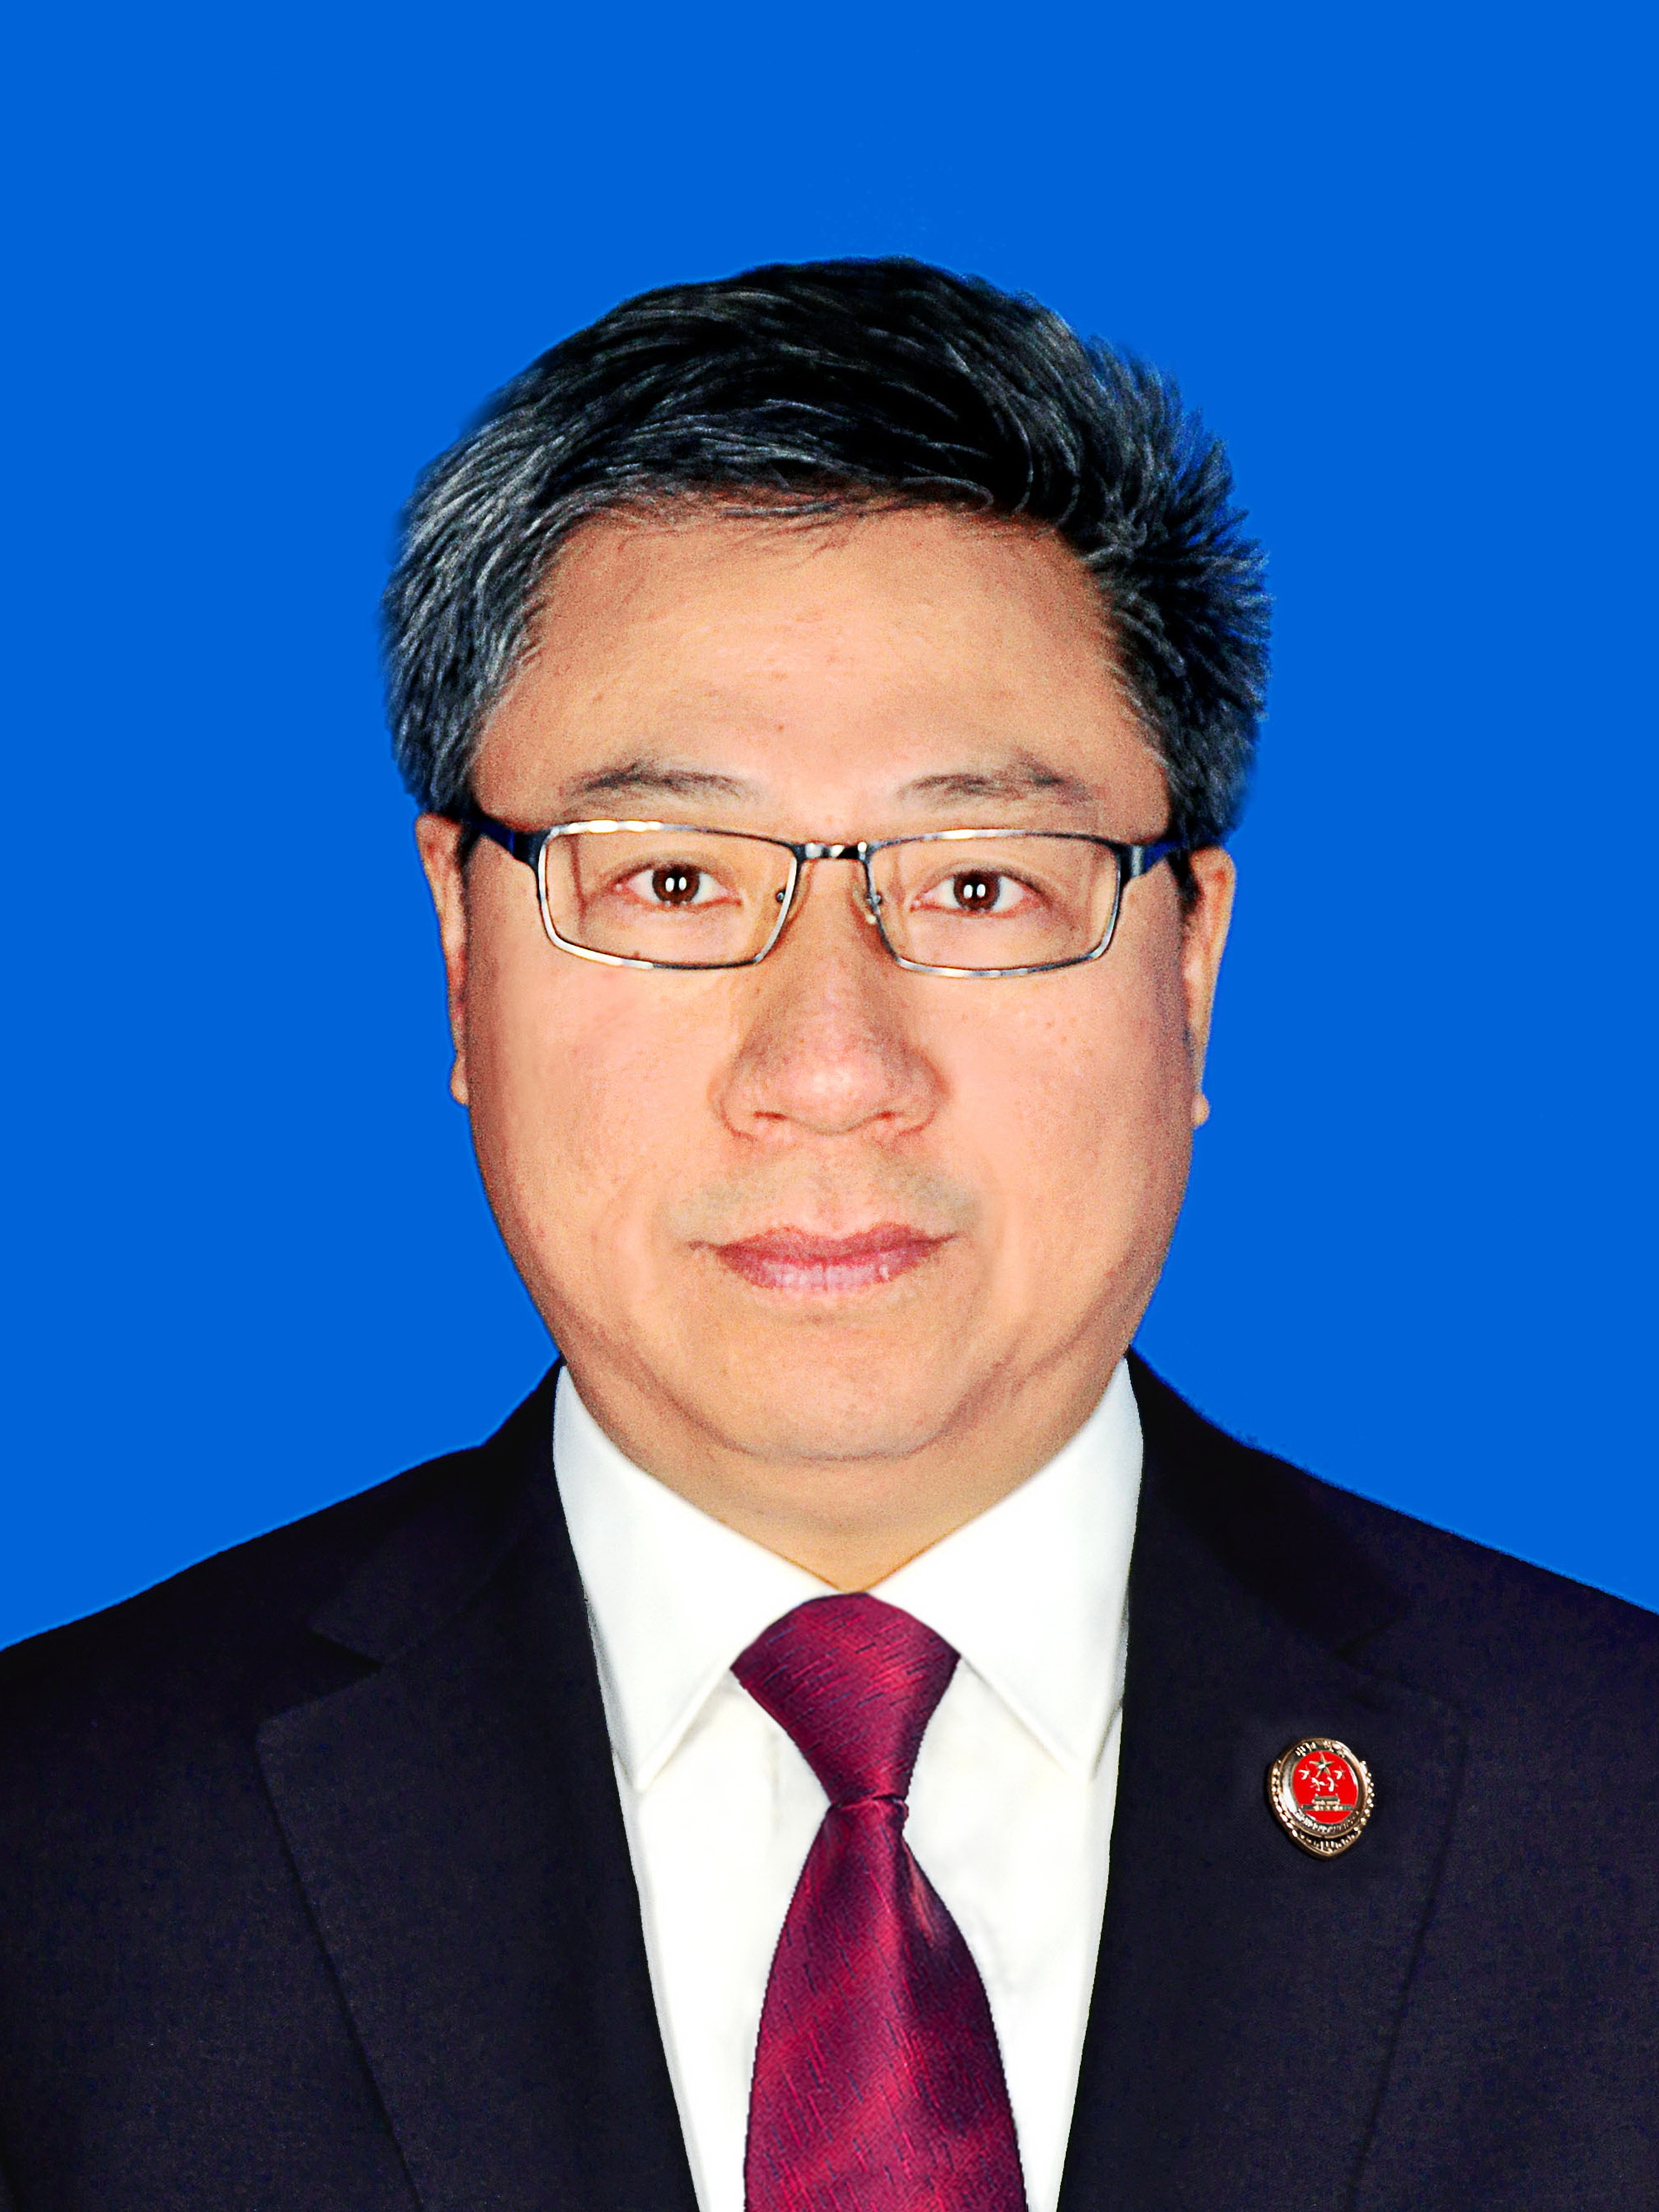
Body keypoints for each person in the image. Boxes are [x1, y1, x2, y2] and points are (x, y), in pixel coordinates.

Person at [0, 259, 1654, 2212]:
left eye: (978, 882)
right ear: (459, 951)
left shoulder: (1612, 1815)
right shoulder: (60, 1850)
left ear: (1192, 966)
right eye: (673, 881)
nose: (829, 1066)